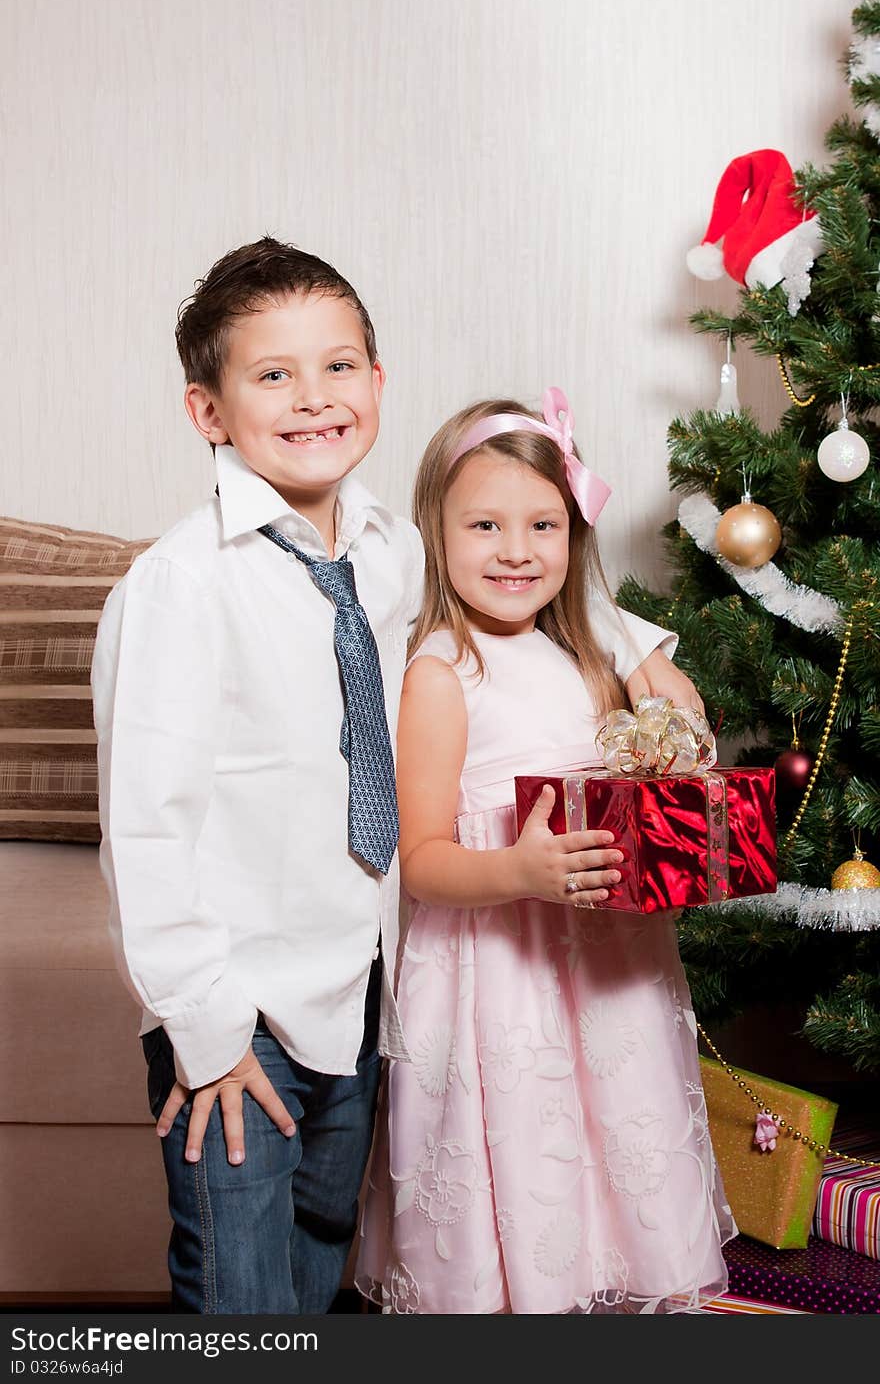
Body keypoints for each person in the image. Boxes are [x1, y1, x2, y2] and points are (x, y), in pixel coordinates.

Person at [91, 236, 704, 1315]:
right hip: (244, 1011)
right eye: (272, 375)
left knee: (325, 1263)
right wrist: (204, 1032)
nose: (312, 398)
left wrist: (636, 643)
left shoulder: (394, 546)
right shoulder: (179, 585)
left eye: (337, 368)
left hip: (364, 987)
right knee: (243, 1291)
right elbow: (146, 825)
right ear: (209, 411)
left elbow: (517, 575)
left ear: (376, 384)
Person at [356, 389, 735, 1315]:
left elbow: (687, 727)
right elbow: (423, 857)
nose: (517, 550)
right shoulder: (442, 672)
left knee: (615, 1155)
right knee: (524, 1155)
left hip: (607, 966)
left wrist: (622, 633)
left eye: (544, 524)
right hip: (499, 977)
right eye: (484, 524)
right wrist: (520, 872)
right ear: (435, 534)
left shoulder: (587, 653)